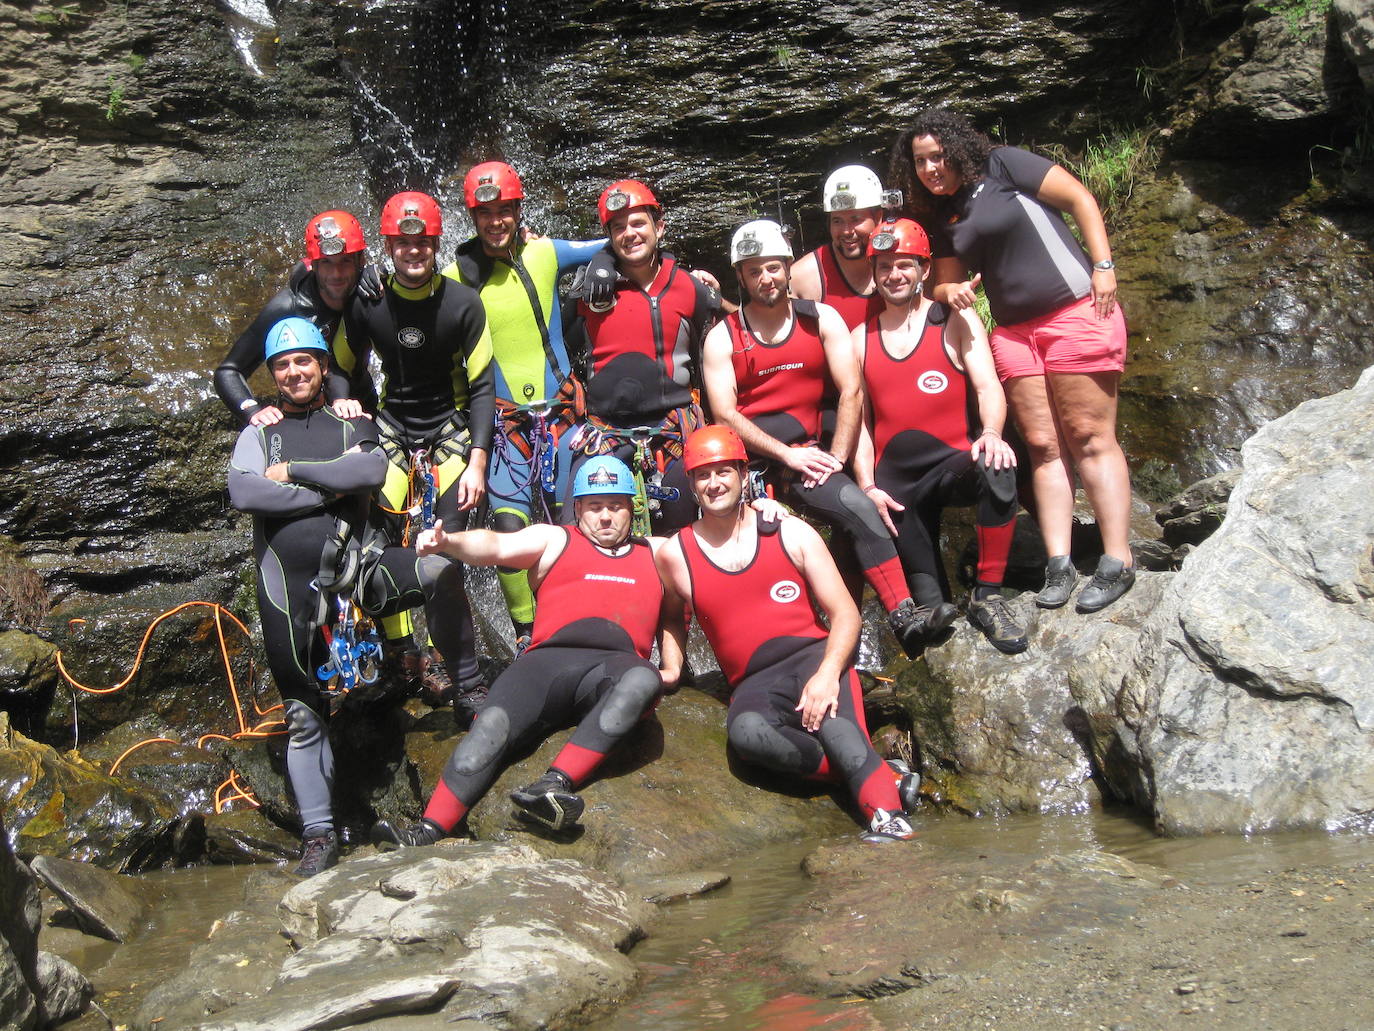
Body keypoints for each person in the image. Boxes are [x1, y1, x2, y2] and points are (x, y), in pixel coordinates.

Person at [226, 318, 467, 876]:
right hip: (287, 590)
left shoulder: (347, 419)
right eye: (283, 365)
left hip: (359, 575)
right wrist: (327, 490)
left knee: (438, 567)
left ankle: (465, 680)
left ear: (322, 365)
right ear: (273, 374)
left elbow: (371, 468)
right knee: (305, 714)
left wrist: (295, 475)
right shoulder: (258, 433)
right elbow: (243, 489)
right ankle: (318, 835)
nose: (294, 372)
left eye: (304, 361)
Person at [890, 108, 1135, 613]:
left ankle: (1117, 559)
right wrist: (948, 287)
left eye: (938, 156)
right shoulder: (943, 213)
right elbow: (942, 280)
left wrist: (1104, 265)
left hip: (1074, 312)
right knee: (1044, 447)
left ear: (958, 147)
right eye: (920, 162)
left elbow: (1080, 199)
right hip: (1015, 334)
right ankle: (1060, 563)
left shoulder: (1004, 166)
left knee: (1089, 437)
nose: (931, 168)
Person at [370, 455, 682, 844]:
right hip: (544, 667)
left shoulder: (657, 551)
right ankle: (426, 830)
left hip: (615, 670)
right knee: (490, 727)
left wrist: (671, 667)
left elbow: (677, 611)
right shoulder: (555, 539)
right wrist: (447, 542)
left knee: (641, 678)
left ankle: (553, 784)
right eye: (595, 506)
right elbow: (497, 544)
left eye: (615, 506)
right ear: (579, 508)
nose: (606, 517)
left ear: (630, 508)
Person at [700, 218, 950, 655]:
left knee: (854, 508)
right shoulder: (724, 337)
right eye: (754, 270)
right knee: (844, 515)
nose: (766, 278)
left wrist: (835, 457)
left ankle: (897, 619)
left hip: (813, 455)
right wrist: (788, 456)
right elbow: (723, 413)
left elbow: (852, 389)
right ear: (740, 276)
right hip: (758, 465)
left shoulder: (822, 320)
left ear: (786, 269)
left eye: (774, 267)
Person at [655, 426, 916, 843]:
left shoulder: (787, 531)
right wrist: (671, 667)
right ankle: (880, 775)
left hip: (815, 657)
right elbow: (671, 616)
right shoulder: (674, 555)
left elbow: (846, 614)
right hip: (754, 683)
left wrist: (828, 674)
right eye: (703, 475)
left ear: (744, 474)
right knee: (746, 736)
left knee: (836, 728)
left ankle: (888, 820)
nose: (714, 483)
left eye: (724, 471)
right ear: (690, 484)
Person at [333, 191, 494, 717]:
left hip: (448, 435)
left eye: (422, 242)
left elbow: (484, 386)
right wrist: (345, 408)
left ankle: (466, 680)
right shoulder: (368, 301)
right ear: (389, 245)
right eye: (403, 243)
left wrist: (477, 459)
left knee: (442, 557)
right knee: (377, 549)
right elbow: (337, 366)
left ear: (434, 242)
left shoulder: (463, 303)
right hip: (391, 431)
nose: (414, 251)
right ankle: (404, 657)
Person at [440, 161, 606, 649]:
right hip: (504, 421)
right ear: (472, 216)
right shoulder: (455, 275)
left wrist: (600, 265)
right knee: (509, 529)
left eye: (504, 210)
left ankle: (586, 618)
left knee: (578, 521)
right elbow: (406, 296)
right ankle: (528, 635)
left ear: (519, 209)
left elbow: (620, 241)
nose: (496, 221)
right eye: (484, 213)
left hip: (562, 412)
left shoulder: (545, 252)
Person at [852, 217, 1026, 654]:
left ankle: (988, 597)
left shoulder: (954, 320)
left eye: (905, 265)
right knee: (935, 620)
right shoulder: (858, 340)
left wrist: (990, 433)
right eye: (885, 266)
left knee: (997, 463)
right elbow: (860, 425)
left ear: (924, 270)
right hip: (900, 489)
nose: (894, 275)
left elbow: (989, 387)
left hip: (953, 462)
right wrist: (867, 485)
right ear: (873, 273)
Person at [566, 179, 722, 536]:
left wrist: (720, 296)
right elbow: (556, 347)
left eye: (638, 223)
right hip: (605, 430)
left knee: (682, 535)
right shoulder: (586, 291)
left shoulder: (689, 287)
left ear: (659, 227)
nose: (629, 234)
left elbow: (723, 343)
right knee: (578, 532)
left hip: (674, 431)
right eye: (618, 227)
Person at [215, 210, 371, 427]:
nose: (336, 274)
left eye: (345, 262)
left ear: (360, 260)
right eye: (326, 263)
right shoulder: (287, 307)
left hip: (362, 406)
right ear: (313, 264)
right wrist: (252, 411)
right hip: (302, 416)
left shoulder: (371, 293)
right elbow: (228, 371)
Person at [789, 165, 885, 330]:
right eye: (837, 221)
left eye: (856, 219)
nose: (847, 231)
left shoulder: (901, 265)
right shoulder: (801, 278)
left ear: (878, 217)